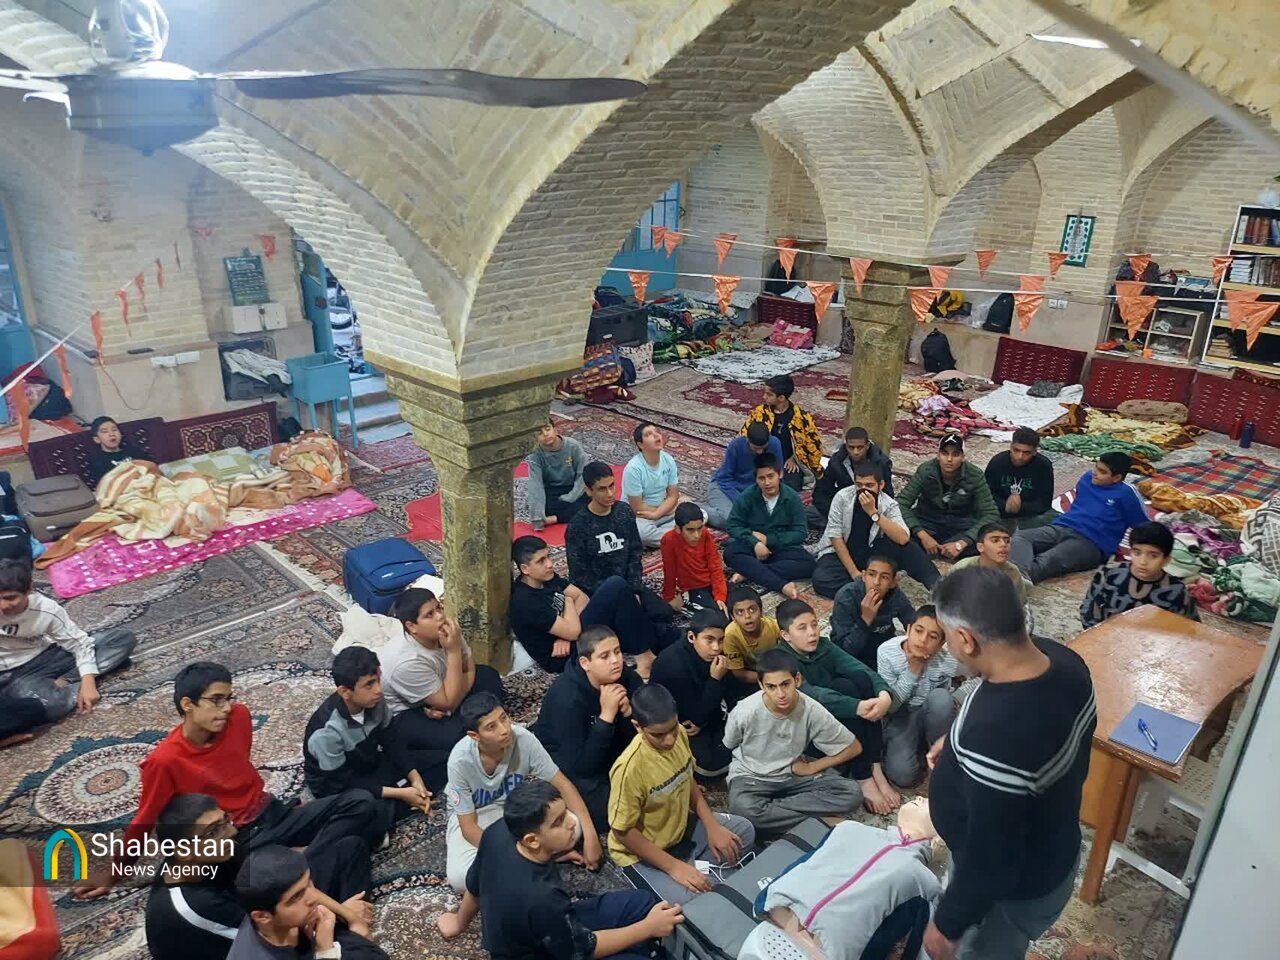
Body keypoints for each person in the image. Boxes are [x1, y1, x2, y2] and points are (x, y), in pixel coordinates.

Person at [74, 662, 383, 900]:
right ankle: (303, 861)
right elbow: (146, 819)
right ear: (188, 704)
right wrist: (115, 872)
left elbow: (238, 765)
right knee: (237, 873)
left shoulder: (239, 717)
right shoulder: (164, 761)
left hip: (271, 814)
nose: (225, 708)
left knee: (362, 803)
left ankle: (298, 861)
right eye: (216, 700)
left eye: (228, 698)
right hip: (234, 839)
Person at [923, 566, 1095, 960]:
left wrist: (949, 922)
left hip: (1008, 893)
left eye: (946, 637)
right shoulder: (1065, 662)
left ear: (965, 639)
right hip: (1055, 844)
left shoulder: (995, 736)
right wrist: (956, 744)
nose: (948, 649)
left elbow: (992, 859)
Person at [437, 779, 682, 960]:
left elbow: (475, 884)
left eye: (565, 813)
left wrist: (458, 922)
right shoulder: (542, 897)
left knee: (642, 903)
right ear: (532, 840)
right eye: (558, 822)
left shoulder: (499, 831)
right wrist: (647, 929)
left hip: (542, 928)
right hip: (538, 952)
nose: (571, 822)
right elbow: (584, 949)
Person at [144, 793, 376, 960]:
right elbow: (271, 940)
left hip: (261, 913)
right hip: (243, 947)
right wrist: (335, 927)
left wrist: (348, 915)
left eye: (225, 821)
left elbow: (291, 881)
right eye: (213, 831)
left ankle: (347, 924)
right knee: (358, 952)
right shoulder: (195, 906)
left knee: (350, 847)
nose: (230, 832)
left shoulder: (219, 851)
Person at [608, 684, 755, 905]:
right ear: (638, 726)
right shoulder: (629, 769)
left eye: (672, 729)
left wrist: (712, 827)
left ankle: (700, 870)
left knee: (744, 831)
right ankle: (695, 871)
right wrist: (673, 867)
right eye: (658, 735)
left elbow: (688, 780)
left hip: (679, 830)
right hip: (641, 852)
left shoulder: (679, 735)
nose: (669, 740)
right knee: (691, 902)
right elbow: (622, 832)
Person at [443, 692, 601, 892]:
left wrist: (591, 836)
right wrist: (519, 853)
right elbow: (469, 829)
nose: (505, 729)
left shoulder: (523, 739)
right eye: (492, 727)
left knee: (574, 826)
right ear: (475, 736)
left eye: (503, 718)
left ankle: (532, 859)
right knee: (461, 879)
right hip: (476, 815)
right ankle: (541, 857)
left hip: (513, 807)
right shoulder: (459, 761)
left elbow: (563, 785)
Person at [774, 599, 898, 814]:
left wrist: (884, 694)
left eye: (814, 624)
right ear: (786, 635)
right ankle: (863, 776)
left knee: (859, 679)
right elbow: (811, 695)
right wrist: (856, 706)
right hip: (808, 728)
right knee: (845, 692)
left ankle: (875, 765)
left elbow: (860, 668)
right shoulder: (782, 661)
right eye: (802, 628)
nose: (812, 633)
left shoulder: (823, 645)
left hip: (839, 716)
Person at [723, 648, 863, 836]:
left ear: (797, 680)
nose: (780, 694)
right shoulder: (744, 711)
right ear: (761, 685)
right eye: (771, 687)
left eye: (785, 684)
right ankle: (819, 820)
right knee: (743, 810)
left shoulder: (810, 708)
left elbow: (854, 747)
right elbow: (730, 743)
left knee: (851, 793)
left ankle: (774, 813)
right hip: (752, 776)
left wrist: (813, 767)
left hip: (793, 775)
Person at [379, 587, 505, 793]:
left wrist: (449, 706)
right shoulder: (405, 662)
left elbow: (469, 668)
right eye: (429, 615)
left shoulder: (447, 630)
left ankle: (468, 720)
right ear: (412, 626)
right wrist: (453, 651)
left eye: (438, 608)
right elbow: (447, 700)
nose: (440, 617)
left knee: (489, 676)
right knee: (457, 738)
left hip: (444, 693)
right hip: (406, 713)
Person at [0, 557, 135, 746]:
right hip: (12, 674)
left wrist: (88, 682)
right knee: (40, 705)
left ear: (29, 590)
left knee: (121, 638)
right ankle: (74, 679)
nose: (2, 606)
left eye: (10, 598)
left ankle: (66, 682)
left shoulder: (45, 608)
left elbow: (79, 643)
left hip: (47, 656)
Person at [303, 646, 431, 839]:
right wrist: (400, 793)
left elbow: (392, 741)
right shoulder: (326, 733)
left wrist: (415, 778)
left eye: (378, 679)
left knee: (438, 761)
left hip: (368, 763)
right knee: (366, 807)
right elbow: (341, 783)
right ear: (345, 692)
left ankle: (404, 798)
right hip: (338, 785)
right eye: (369, 685)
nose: (379, 690)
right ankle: (396, 805)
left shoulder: (375, 701)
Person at [567, 461, 678, 676]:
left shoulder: (624, 512)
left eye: (612, 486)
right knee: (643, 621)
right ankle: (644, 652)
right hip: (602, 594)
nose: (610, 493)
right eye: (602, 489)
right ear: (588, 491)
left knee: (662, 612)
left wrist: (633, 589)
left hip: (628, 584)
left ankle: (632, 636)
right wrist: (621, 595)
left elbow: (635, 553)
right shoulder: (578, 526)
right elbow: (579, 576)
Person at [532, 626, 645, 834]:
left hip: (610, 750)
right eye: (605, 656)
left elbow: (645, 733)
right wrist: (606, 717)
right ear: (585, 663)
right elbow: (582, 767)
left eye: (617, 651)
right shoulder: (567, 698)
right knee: (609, 811)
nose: (616, 661)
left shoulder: (627, 678)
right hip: (573, 762)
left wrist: (628, 713)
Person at [510, 535, 661, 675]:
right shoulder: (525, 602)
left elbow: (581, 598)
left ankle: (654, 643)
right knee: (615, 586)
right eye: (541, 561)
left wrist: (566, 635)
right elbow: (573, 630)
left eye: (548, 556)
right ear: (525, 569)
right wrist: (569, 603)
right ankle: (644, 659)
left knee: (659, 629)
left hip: (569, 639)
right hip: (563, 657)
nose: (549, 564)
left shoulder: (546, 577)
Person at [1010, 452, 1149, 585]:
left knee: (1048, 560)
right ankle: (1015, 576)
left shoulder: (1126, 493)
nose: (1095, 473)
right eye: (1096, 467)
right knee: (1020, 537)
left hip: (1092, 542)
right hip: (1063, 526)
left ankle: (1012, 582)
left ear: (1117, 478)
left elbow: (1144, 526)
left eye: (1102, 472)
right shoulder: (1087, 478)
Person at [228, 845, 388, 959]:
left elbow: (308, 891)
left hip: (309, 931)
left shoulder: (268, 907)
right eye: (296, 897)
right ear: (262, 916)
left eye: (309, 883)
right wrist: (325, 951)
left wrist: (352, 918)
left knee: (351, 845)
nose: (313, 898)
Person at [875, 606, 962, 788]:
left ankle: (940, 753)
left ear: (941, 644)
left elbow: (982, 675)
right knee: (903, 775)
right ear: (908, 629)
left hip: (933, 711)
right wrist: (913, 671)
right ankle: (919, 746)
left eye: (933, 636)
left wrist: (957, 697)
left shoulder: (948, 658)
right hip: (900, 715)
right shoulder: (887, 652)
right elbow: (891, 706)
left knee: (941, 698)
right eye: (918, 631)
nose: (923, 640)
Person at [812, 462, 919, 599]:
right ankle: (871, 593)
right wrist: (855, 574)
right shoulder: (842, 497)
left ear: (881, 485)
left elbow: (903, 538)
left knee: (910, 548)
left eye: (869, 485)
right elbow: (835, 537)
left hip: (870, 554)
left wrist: (873, 512)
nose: (863, 490)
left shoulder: (888, 504)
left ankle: (935, 584)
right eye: (859, 485)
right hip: (840, 553)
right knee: (821, 579)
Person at [649, 608, 734, 776]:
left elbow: (730, 690)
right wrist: (715, 680)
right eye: (709, 640)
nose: (716, 648)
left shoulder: (714, 653)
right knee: (708, 763)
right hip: (681, 722)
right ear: (691, 637)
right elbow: (695, 717)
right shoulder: (675, 666)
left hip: (708, 711)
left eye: (721, 640)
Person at [723, 454, 815, 599]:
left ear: (780, 474)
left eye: (771, 476)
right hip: (752, 549)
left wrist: (768, 540)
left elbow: (800, 532)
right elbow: (733, 525)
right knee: (730, 553)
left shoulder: (792, 498)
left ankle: (749, 571)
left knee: (809, 564)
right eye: (761, 478)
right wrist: (755, 542)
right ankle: (781, 585)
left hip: (780, 548)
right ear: (756, 479)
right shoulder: (748, 496)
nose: (767, 483)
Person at [897, 433, 999, 564]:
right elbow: (900, 504)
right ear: (938, 455)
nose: (949, 459)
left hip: (960, 527)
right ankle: (933, 550)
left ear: (963, 457)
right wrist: (922, 535)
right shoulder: (926, 470)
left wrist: (962, 543)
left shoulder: (974, 475)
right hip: (927, 523)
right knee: (894, 533)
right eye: (945, 453)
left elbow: (991, 513)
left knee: (991, 540)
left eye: (955, 454)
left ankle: (942, 551)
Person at [1080, 520, 1199, 628]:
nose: (1143, 562)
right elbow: (1089, 612)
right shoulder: (1107, 575)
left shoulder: (1176, 591)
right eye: (1137, 553)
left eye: (1153, 556)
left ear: (1166, 560)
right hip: (1105, 638)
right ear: (1130, 552)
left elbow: (1189, 629)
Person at [830, 555, 917, 669]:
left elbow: (913, 623)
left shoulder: (895, 596)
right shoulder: (846, 596)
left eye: (884, 577)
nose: (876, 582)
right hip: (852, 654)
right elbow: (845, 651)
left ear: (893, 582)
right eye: (871, 574)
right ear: (863, 576)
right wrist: (865, 620)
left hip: (882, 647)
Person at [743, 375, 823, 491]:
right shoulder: (760, 413)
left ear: (781, 398)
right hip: (761, 458)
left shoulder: (801, 418)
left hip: (787, 463)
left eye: (769, 394)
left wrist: (794, 458)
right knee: (749, 482)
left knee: (791, 487)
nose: (764, 397)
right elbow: (746, 436)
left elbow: (811, 444)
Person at [811, 426, 895, 526]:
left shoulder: (881, 463)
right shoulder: (837, 460)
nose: (856, 452)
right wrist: (835, 512)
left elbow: (888, 494)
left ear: (867, 446)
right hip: (843, 503)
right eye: (851, 448)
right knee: (809, 514)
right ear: (846, 446)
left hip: (870, 507)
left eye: (860, 447)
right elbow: (822, 490)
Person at [707, 422, 783, 529]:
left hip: (753, 492)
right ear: (747, 440)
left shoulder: (774, 444)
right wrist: (743, 503)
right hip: (725, 488)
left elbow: (777, 475)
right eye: (755, 448)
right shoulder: (735, 446)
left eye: (763, 448)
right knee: (731, 521)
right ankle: (697, 511)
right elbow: (724, 480)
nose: (760, 452)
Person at [660, 502, 728, 615]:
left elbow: (715, 565)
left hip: (711, 583)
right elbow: (669, 571)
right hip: (692, 589)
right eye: (690, 530)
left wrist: (720, 596)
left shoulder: (705, 534)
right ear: (678, 529)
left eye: (699, 528)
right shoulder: (668, 540)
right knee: (717, 616)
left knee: (739, 602)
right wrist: (669, 597)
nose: (696, 535)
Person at [984, 428, 1056, 530]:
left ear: (1035, 452)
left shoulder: (1043, 466)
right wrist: (1006, 505)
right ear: (1010, 447)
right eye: (1016, 450)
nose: (1020, 456)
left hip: (1030, 514)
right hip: (1000, 512)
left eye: (1026, 453)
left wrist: (1020, 507)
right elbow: (985, 496)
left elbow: (1045, 501)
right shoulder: (997, 462)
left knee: (1058, 522)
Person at [622, 422, 681, 547]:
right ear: (640, 444)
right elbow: (637, 507)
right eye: (649, 434)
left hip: (663, 508)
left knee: (701, 514)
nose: (656, 436)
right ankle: (680, 534)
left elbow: (673, 495)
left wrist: (659, 513)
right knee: (642, 534)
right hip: (642, 515)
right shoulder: (634, 469)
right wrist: (664, 512)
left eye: (656, 432)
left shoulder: (668, 460)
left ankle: (673, 534)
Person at [527, 418, 588, 531]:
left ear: (555, 429)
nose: (545, 434)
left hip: (574, 487)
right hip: (552, 491)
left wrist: (571, 497)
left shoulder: (573, 446)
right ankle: (564, 515)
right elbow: (536, 485)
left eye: (547, 429)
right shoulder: (534, 454)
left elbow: (583, 474)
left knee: (594, 498)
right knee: (544, 505)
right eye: (539, 433)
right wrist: (537, 518)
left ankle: (555, 518)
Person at [949, 522, 1031, 603]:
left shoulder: (1012, 572)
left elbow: (1018, 604)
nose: (1003, 545)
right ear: (980, 547)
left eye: (1007, 541)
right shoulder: (963, 568)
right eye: (995, 540)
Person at [722, 584, 780, 688]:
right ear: (733, 617)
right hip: (752, 678)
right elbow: (740, 674)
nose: (747, 616)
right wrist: (770, 679)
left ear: (761, 611)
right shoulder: (730, 635)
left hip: (776, 669)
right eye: (740, 612)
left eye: (752, 609)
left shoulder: (774, 626)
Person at [87, 415, 147, 487]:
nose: (112, 434)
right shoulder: (97, 461)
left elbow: (150, 468)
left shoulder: (134, 451)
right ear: (97, 439)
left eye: (114, 430)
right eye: (105, 431)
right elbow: (104, 484)